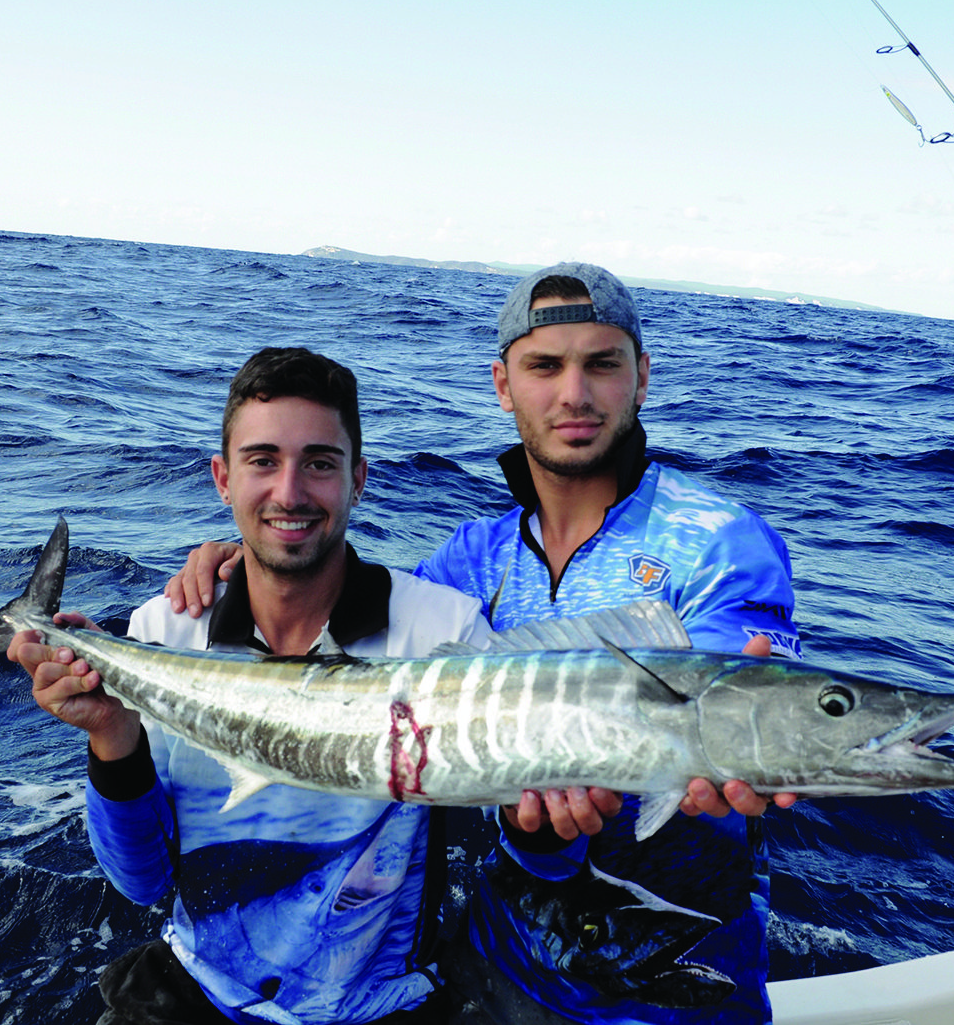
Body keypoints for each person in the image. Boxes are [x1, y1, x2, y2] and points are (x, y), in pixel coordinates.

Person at [167, 264, 803, 1024]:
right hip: (490, 976)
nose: (574, 394)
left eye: (602, 364)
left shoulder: (722, 544)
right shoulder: (472, 558)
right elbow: (361, 628)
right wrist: (247, 557)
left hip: (675, 994)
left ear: (641, 379)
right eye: (545, 366)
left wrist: (738, 746)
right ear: (504, 386)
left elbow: (723, 723)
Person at [10, 347, 492, 1025]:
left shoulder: (444, 631)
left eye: (319, 464)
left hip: (385, 1007)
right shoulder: (164, 628)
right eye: (262, 461)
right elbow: (141, 883)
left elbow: (527, 828)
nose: (289, 493)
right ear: (222, 478)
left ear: (357, 479)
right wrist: (111, 736)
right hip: (197, 993)